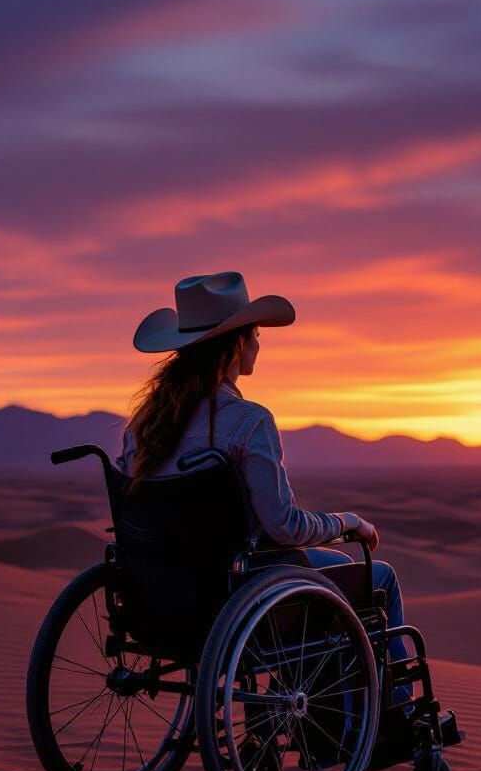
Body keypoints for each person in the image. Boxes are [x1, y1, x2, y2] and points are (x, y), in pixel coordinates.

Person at [115, 270, 408, 672]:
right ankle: (385, 723)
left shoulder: (144, 427)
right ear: (237, 344)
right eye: (255, 334)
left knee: (305, 568)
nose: (258, 343)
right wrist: (347, 522)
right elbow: (283, 526)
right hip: (239, 593)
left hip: (158, 595)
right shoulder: (248, 422)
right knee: (381, 578)